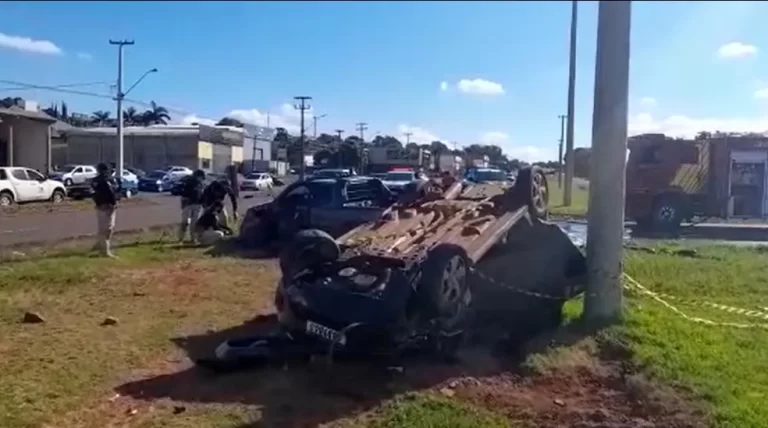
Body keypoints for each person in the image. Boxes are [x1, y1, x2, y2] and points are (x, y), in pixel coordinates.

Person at [91, 162, 119, 258]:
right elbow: (111, 193)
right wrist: (114, 204)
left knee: (103, 228)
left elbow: (93, 193)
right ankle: (105, 251)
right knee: (107, 229)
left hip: (100, 206)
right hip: (108, 206)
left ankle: (100, 245)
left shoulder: (95, 181)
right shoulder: (106, 180)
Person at [178, 169, 206, 243]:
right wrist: (183, 205)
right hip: (188, 204)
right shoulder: (189, 183)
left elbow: (201, 195)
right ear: (197, 176)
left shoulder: (201, 184)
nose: (201, 179)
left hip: (197, 205)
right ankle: (181, 238)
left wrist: (203, 203)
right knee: (185, 222)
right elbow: (184, 195)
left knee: (194, 222)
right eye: (201, 177)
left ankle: (193, 238)